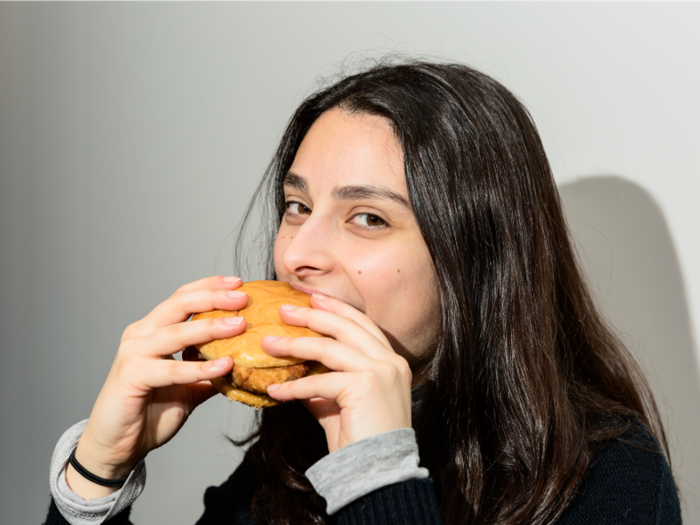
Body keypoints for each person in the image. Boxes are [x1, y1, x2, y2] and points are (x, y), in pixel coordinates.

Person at [44, 60, 681, 525]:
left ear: (476, 257)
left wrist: (375, 477)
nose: (295, 255)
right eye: (297, 206)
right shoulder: (297, 436)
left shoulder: (612, 474)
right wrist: (97, 472)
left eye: (368, 218)